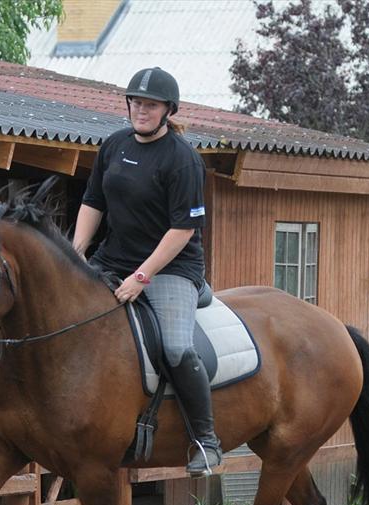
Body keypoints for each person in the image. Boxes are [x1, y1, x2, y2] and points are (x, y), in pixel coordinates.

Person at [72, 66, 223, 477]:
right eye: (136, 102)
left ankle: (206, 441)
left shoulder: (183, 159)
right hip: (112, 258)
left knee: (175, 346)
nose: (141, 109)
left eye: (150, 104)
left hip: (171, 268)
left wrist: (142, 277)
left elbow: (183, 228)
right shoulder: (114, 145)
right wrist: (76, 251)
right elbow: (92, 202)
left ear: (166, 110)